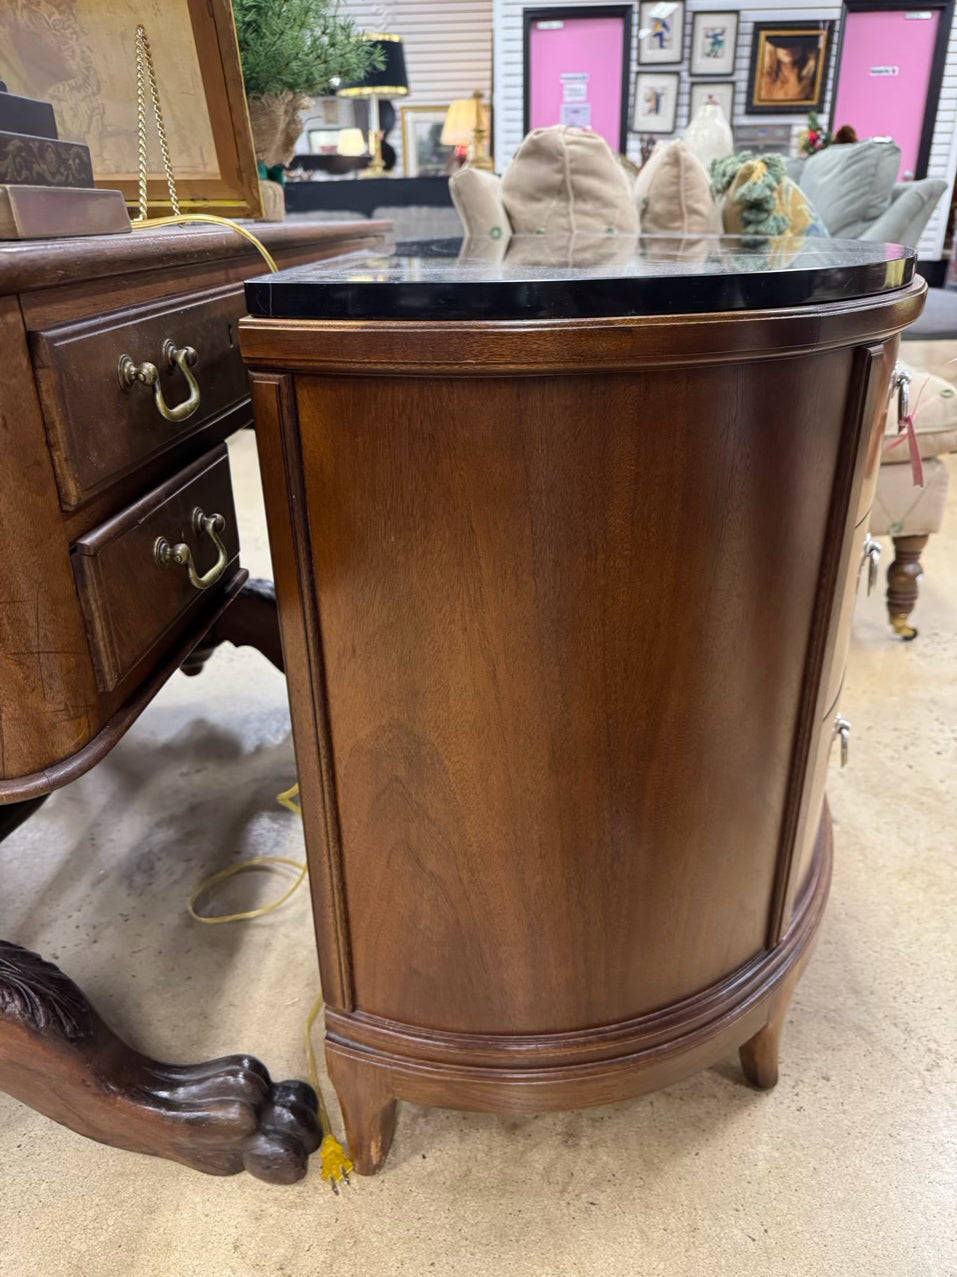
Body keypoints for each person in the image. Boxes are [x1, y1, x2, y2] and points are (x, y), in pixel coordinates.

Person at [758, 33, 821, 103]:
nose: (788, 49)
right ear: (773, 48)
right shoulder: (763, 79)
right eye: (781, 44)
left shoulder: (815, 78)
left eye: (794, 44)